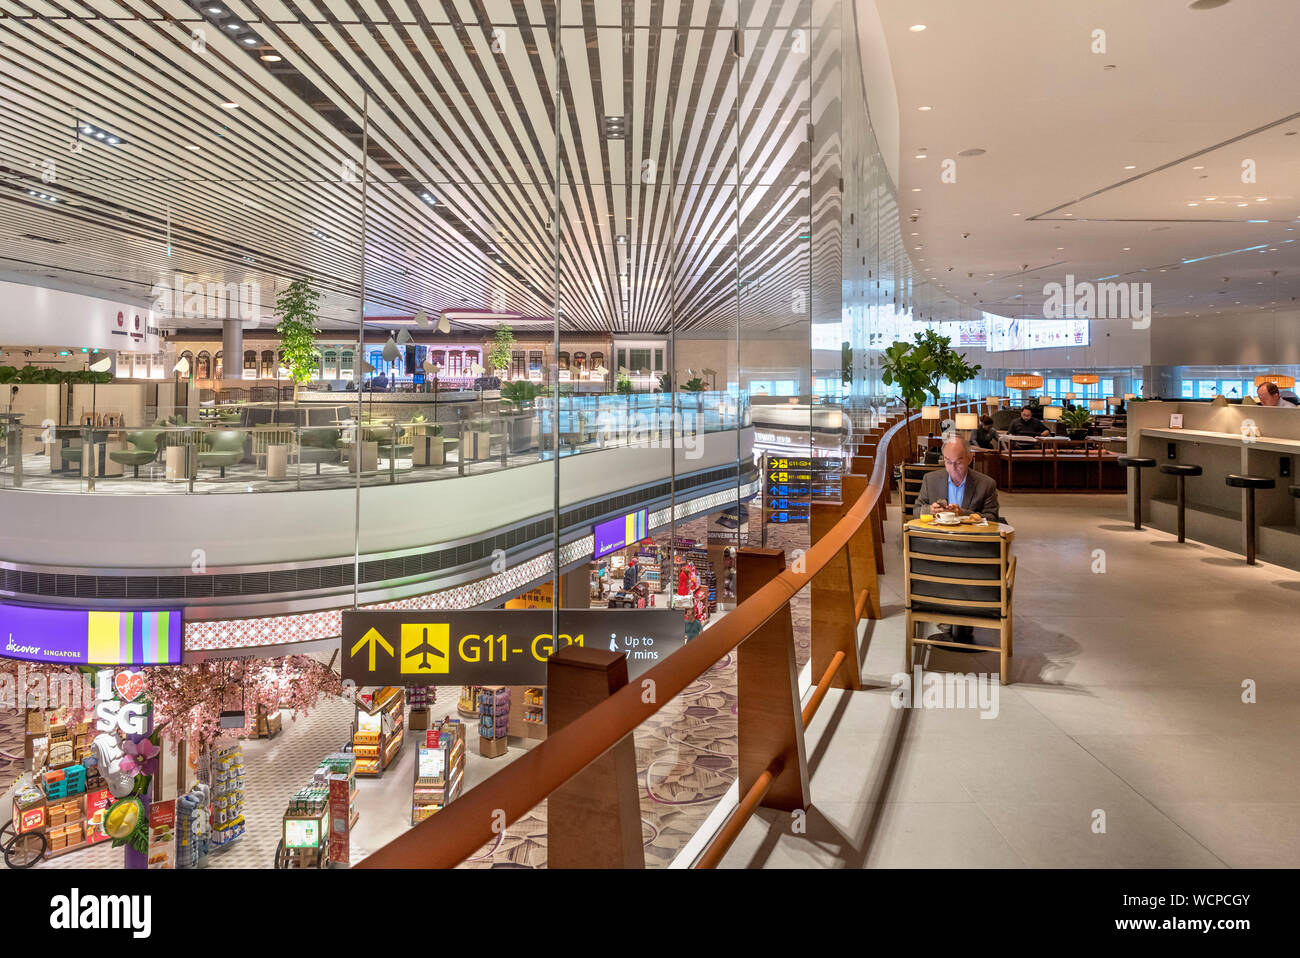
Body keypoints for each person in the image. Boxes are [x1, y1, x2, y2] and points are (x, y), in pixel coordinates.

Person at [913, 434, 1000, 521]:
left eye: (958, 462)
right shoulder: (931, 480)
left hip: (969, 533)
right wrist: (929, 510)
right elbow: (916, 511)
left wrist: (964, 513)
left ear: (969, 459)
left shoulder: (986, 484)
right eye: (949, 462)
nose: (953, 468)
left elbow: (992, 518)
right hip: (939, 532)